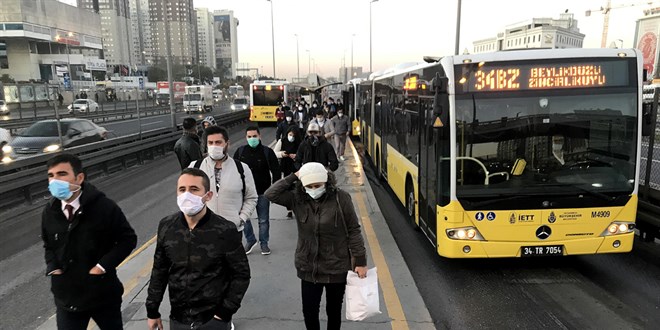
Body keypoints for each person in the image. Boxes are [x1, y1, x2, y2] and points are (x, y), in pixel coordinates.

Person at [265, 162, 368, 330]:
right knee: (310, 311)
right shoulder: (297, 199)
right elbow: (270, 194)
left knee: (333, 311)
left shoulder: (341, 198)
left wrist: (361, 262)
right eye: (309, 186)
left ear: (327, 182)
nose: (314, 189)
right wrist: (294, 176)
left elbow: (353, 230)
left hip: (336, 266)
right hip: (308, 267)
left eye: (318, 185)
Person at [146, 168, 251, 330]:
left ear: (207, 196)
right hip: (178, 319)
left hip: (213, 320)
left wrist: (224, 313)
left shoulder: (224, 230)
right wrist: (152, 310)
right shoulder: (167, 226)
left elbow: (241, 274)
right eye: (182, 189)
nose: (187, 194)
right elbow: (159, 270)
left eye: (194, 189)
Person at [42, 153, 137, 330]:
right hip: (67, 297)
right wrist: (53, 266)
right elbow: (48, 244)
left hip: (102, 294)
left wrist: (101, 267)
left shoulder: (104, 207)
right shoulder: (50, 211)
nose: (55, 181)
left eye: (62, 174)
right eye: (51, 176)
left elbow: (127, 239)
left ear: (79, 178)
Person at [190, 126, 258, 252]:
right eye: (210, 143)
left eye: (218, 142)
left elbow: (251, 197)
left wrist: (241, 219)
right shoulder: (195, 167)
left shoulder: (241, 168)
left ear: (227, 144)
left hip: (231, 232)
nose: (214, 146)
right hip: (202, 233)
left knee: (231, 269)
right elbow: (186, 197)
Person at [233, 126, 281, 255]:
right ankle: (250, 240)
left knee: (263, 220)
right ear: (246, 138)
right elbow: (233, 171)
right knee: (244, 219)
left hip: (263, 192)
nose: (252, 139)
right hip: (244, 193)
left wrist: (273, 189)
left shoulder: (267, 152)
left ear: (259, 136)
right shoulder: (240, 152)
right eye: (249, 137)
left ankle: (264, 243)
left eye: (254, 136)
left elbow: (276, 171)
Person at [273, 126, 302, 218]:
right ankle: (289, 210)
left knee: (297, 188)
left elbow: (304, 153)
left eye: (293, 135)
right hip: (286, 167)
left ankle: (298, 208)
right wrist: (282, 154)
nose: (291, 137)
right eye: (290, 135)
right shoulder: (282, 141)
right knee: (288, 188)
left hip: (297, 168)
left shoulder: (300, 143)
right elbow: (274, 152)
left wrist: (297, 156)